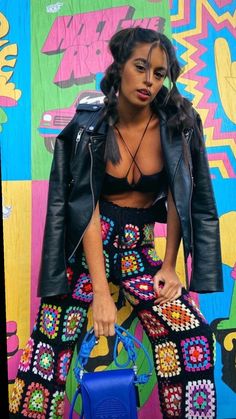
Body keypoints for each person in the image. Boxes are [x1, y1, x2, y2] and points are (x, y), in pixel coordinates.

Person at [9, 27, 223, 419]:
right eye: (140, 67)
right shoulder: (91, 124)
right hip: (86, 246)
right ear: (119, 66)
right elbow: (85, 206)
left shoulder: (179, 121)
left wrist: (171, 266)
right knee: (48, 350)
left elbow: (181, 195)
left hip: (138, 250)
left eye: (159, 74)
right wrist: (100, 295)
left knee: (191, 336)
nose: (148, 81)